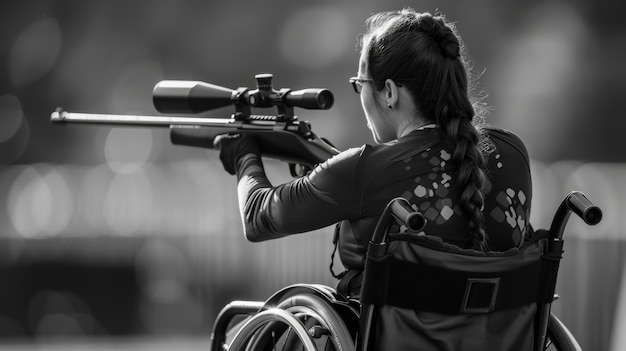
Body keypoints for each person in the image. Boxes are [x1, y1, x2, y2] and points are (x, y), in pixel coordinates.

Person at [215, 8, 532, 298]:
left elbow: (258, 216)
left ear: (390, 92)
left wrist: (244, 155)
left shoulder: (362, 169)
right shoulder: (511, 152)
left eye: (359, 84)